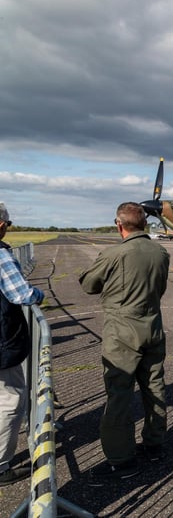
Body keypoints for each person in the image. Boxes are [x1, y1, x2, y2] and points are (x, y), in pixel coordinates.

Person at [79, 202, 170, 485]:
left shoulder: (115, 252)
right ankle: (155, 445)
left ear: (119, 224)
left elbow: (89, 284)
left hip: (123, 330)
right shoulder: (161, 251)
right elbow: (161, 288)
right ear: (144, 223)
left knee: (119, 393)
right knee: (154, 386)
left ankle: (121, 461)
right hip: (153, 325)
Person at [0, 203, 44, 486]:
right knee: (11, 401)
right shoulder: (2, 256)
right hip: (3, 344)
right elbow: (22, 294)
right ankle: (1, 466)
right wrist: (39, 294)